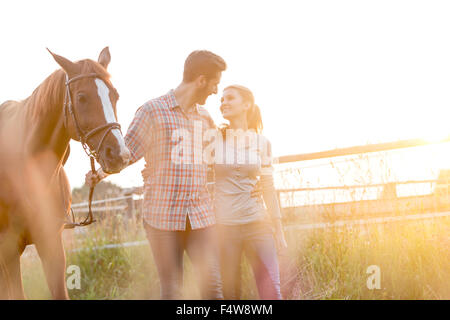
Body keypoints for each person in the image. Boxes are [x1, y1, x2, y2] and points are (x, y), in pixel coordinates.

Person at [86, 50, 226, 299]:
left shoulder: (205, 118)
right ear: (201, 80)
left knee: (213, 288)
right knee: (173, 291)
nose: (216, 91)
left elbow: (217, 158)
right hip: (162, 217)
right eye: (215, 83)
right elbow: (127, 153)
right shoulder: (152, 111)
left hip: (200, 215)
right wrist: (99, 173)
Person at [213, 84, 287, 300]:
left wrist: (279, 231)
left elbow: (267, 185)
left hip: (258, 225)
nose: (223, 103)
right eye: (221, 100)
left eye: (230, 98)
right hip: (225, 229)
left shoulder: (262, 143)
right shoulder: (213, 139)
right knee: (230, 295)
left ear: (246, 104)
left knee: (272, 292)